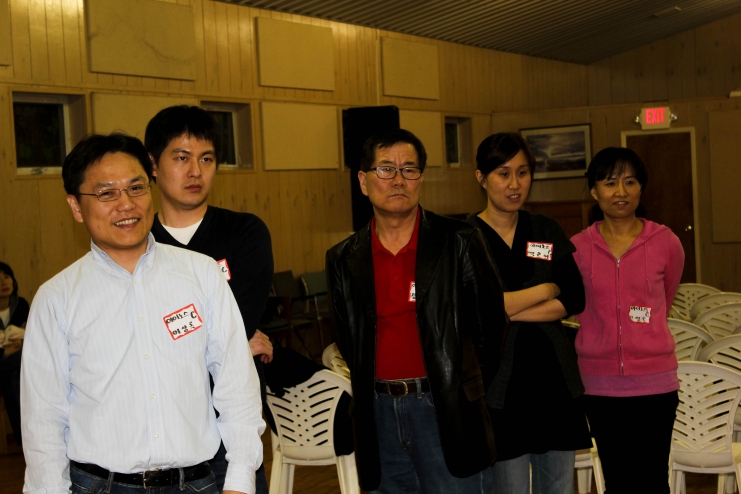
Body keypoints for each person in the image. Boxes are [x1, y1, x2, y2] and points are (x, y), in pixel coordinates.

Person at [21, 133, 264, 494]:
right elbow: (43, 421)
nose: (126, 204)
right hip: (99, 486)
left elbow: (236, 385)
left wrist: (241, 480)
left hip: (195, 484)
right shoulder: (56, 299)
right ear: (76, 206)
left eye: (136, 188)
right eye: (107, 194)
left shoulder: (202, 274)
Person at [326, 128, 507, 493]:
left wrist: (461, 387)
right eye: (385, 169)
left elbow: (491, 327)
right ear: (362, 181)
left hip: (446, 409)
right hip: (377, 414)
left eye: (409, 169)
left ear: (421, 178)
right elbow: (347, 337)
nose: (398, 180)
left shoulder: (459, 242)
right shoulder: (344, 258)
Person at [145, 105, 273, 493]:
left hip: (231, 432)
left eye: (206, 159)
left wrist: (228, 338)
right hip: (158, 433)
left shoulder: (245, 232)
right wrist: (227, 341)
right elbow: (134, 336)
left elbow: (238, 325)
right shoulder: (137, 244)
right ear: (152, 165)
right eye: (181, 158)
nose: (195, 172)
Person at [466, 133, 591, 494]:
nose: (515, 184)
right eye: (503, 174)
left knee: (559, 488)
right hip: (498, 390)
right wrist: (546, 289)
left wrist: (505, 310)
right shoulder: (464, 237)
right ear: (481, 177)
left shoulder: (545, 229)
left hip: (554, 383)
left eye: (523, 173)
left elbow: (574, 297)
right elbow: (471, 308)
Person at [571, 147, 684, 494]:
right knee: (617, 481)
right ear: (594, 191)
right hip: (599, 385)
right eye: (610, 183)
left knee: (653, 481)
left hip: (655, 384)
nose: (620, 191)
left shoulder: (666, 242)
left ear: (641, 188)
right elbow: (576, 304)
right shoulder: (577, 247)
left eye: (630, 182)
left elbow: (665, 298)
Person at [0, 262, 30, 447]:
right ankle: (25, 439)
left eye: (7, 276)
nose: (4, 282)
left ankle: (23, 439)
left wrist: (20, 344)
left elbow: (31, 335)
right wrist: (4, 352)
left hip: (17, 364)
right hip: (13, 364)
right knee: (13, 373)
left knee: (13, 374)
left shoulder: (21, 305)